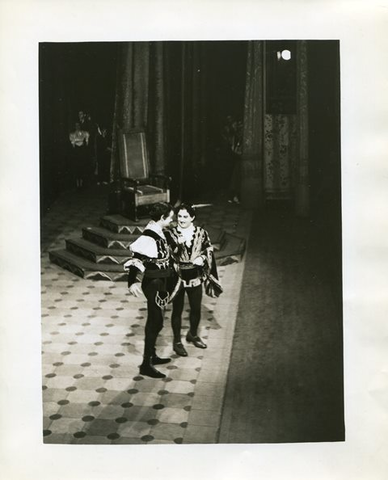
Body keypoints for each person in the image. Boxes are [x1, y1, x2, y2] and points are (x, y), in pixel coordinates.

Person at [124, 202, 176, 379]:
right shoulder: (149, 236)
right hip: (153, 283)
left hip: (161, 281)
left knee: (158, 320)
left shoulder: (160, 231)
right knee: (155, 321)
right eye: (170, 218)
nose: (172, 220)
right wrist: (132, 282)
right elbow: (136, 258)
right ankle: (146, 364)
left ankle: (152, 355)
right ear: (162, 218)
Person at [165, 203, 223, 357]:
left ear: (192, 218)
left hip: (195, 277)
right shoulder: (170, 233)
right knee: (177, 310)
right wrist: (177, 246)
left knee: (195, 308)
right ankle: (177, 341)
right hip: (177, 278)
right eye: (179, 216)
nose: (181, 219)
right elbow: (166, 253)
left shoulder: (201, 233)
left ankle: (193, 334)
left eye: (185, 217)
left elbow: (208, 249)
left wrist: (203, 258)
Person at [69, 122, 90, 188]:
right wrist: (74, 144)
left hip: (82, 151)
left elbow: (86, 142)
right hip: (76, 152)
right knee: (76, 167)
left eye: (78, 125)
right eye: (76, 125)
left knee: (82, 167)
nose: (77, 126)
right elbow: (73, 145)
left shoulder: (84, 133)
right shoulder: (72, 134)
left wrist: (86, 142)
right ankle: (77, 184)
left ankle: (81, 183)